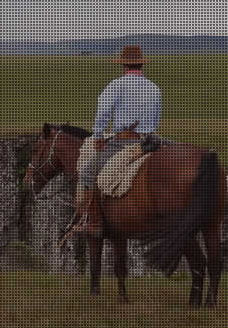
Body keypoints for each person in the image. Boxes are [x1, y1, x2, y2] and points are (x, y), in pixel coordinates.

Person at [68, 44, 162, 240]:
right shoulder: (154, 88)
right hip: (150, 139)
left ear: (123, 66)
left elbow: (102, 113)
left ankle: (95, 223)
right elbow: (155, 120)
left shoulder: (116, 85)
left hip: (124, 142)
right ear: (141, 65)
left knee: (86, 174)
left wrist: (99, 136)